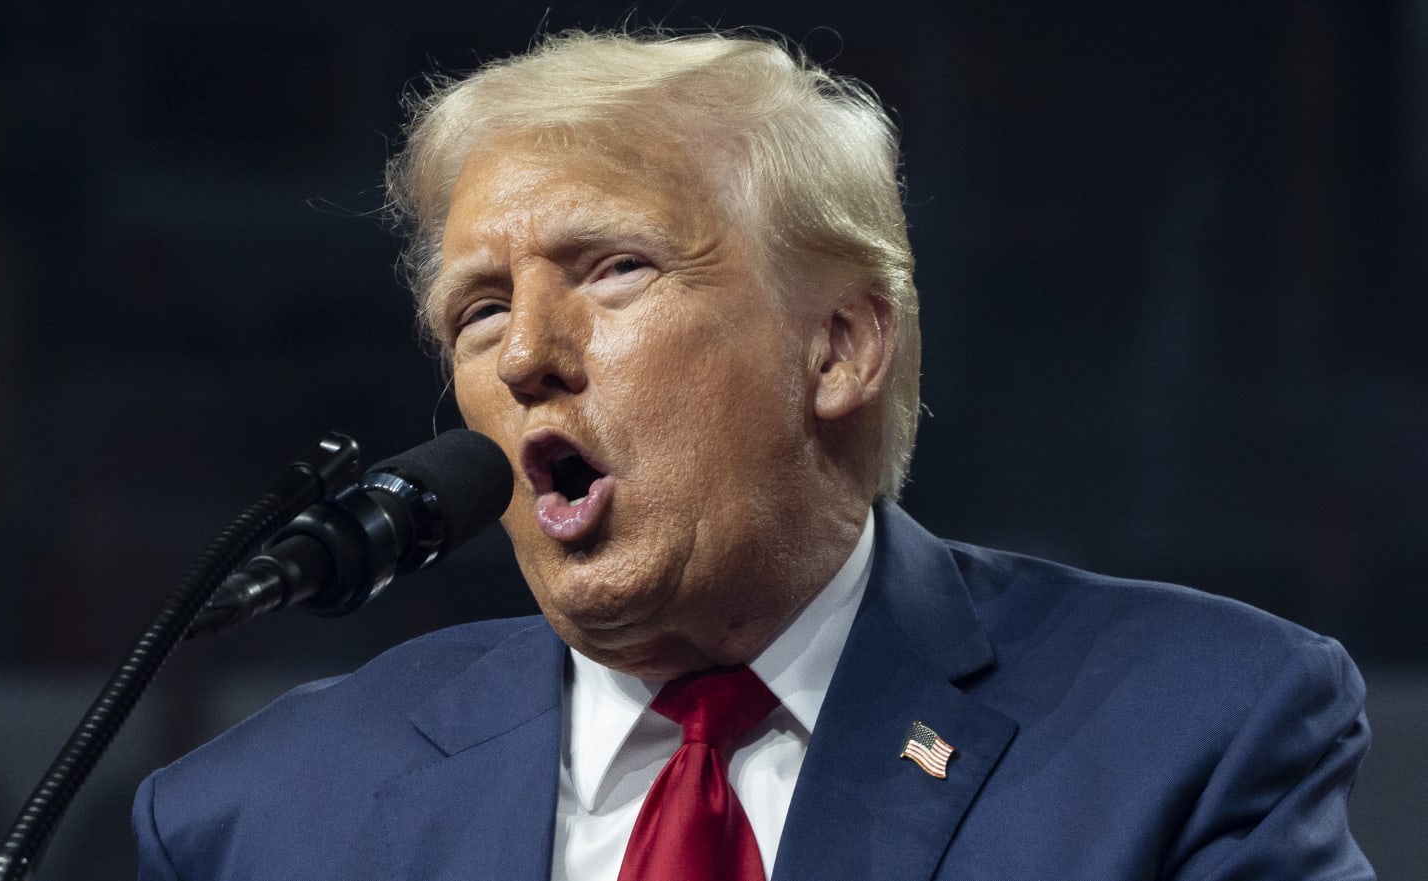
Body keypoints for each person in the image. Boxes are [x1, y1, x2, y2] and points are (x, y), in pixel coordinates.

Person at [133, 30, 1373, 880]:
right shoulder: (259, 819)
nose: (525, 356)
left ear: (838, 345)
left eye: (614, 267)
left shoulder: (1192, 734)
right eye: (479, 309)